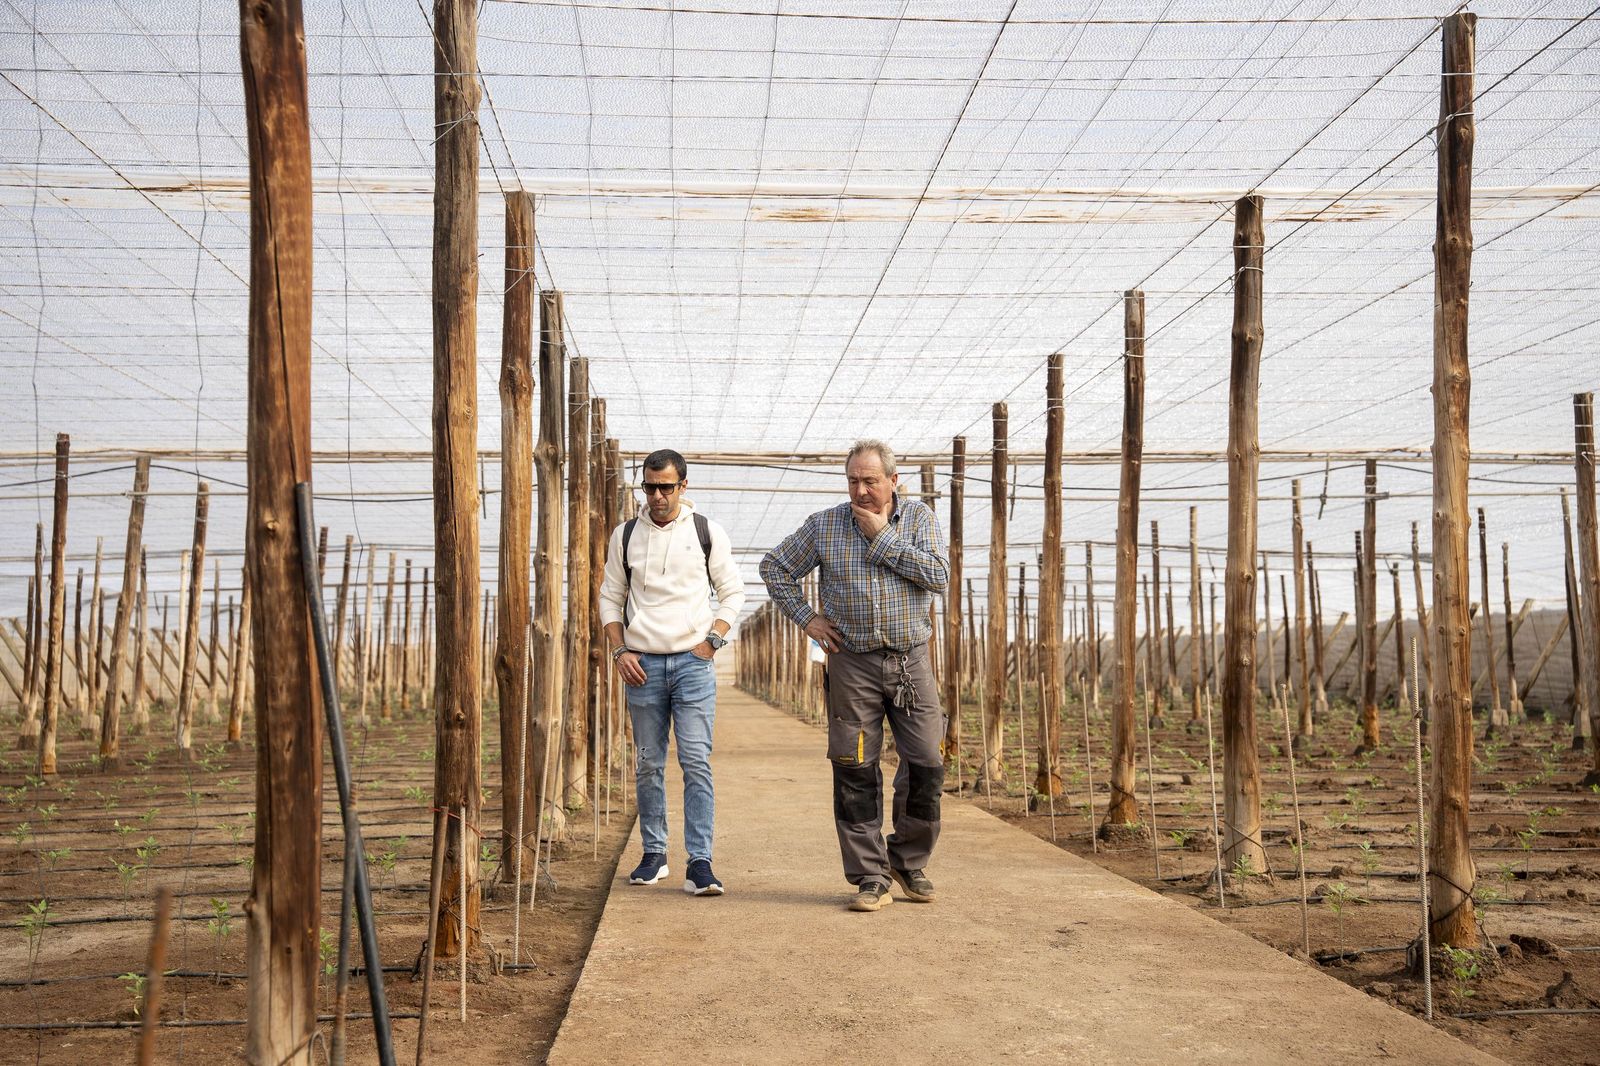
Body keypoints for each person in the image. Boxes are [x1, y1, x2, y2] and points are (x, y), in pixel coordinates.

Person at [759, 440, 948, 912]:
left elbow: (938, 575)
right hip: (852, 664)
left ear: (893, 481)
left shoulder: (919, 519)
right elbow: (775, 567)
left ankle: (907, 858)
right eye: (853, 482)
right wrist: (807, 619)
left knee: (926, 762)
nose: (861, 491)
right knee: (855, 769)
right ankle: (870, 875)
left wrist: (882, 536)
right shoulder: (826, 525)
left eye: (870, 481)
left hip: (910, 661)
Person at [600, 448, 745, 895]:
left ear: (684, 486)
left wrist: (712, 641)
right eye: (649, 487)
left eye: (666, 487)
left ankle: (700, 862)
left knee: (696, 761)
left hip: (693, 664)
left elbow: (732, 592)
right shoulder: (625, 535)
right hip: (641, 665)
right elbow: (609, 597)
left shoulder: (706, 532)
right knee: (647, 763)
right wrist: (620, 650)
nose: (657, 496)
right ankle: (654, 854)